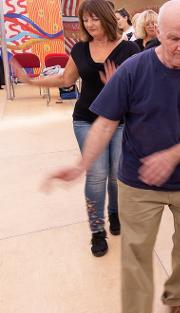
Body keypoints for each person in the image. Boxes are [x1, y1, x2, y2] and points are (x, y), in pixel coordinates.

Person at [45, 1, 180, 312]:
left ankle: (176, 296)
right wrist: (82, 165)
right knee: (136, 252)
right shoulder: (133, 70)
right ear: (157, 32)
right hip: (138, 182)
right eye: (174, 38)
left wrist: (172, 156)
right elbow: (104, 123)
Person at [12, 0, 139, 256]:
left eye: (95, 18)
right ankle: (97, 230)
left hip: (119, 120)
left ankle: (115, 214)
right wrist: (30, 80)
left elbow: (141, 86)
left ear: (106, 17)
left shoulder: (129, 49)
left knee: (117, 173)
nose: (90, 24)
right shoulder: (80, 49)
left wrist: (119, 85)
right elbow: (65, 78)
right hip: (86, 119)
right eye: (86, 20)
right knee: (96, 174)